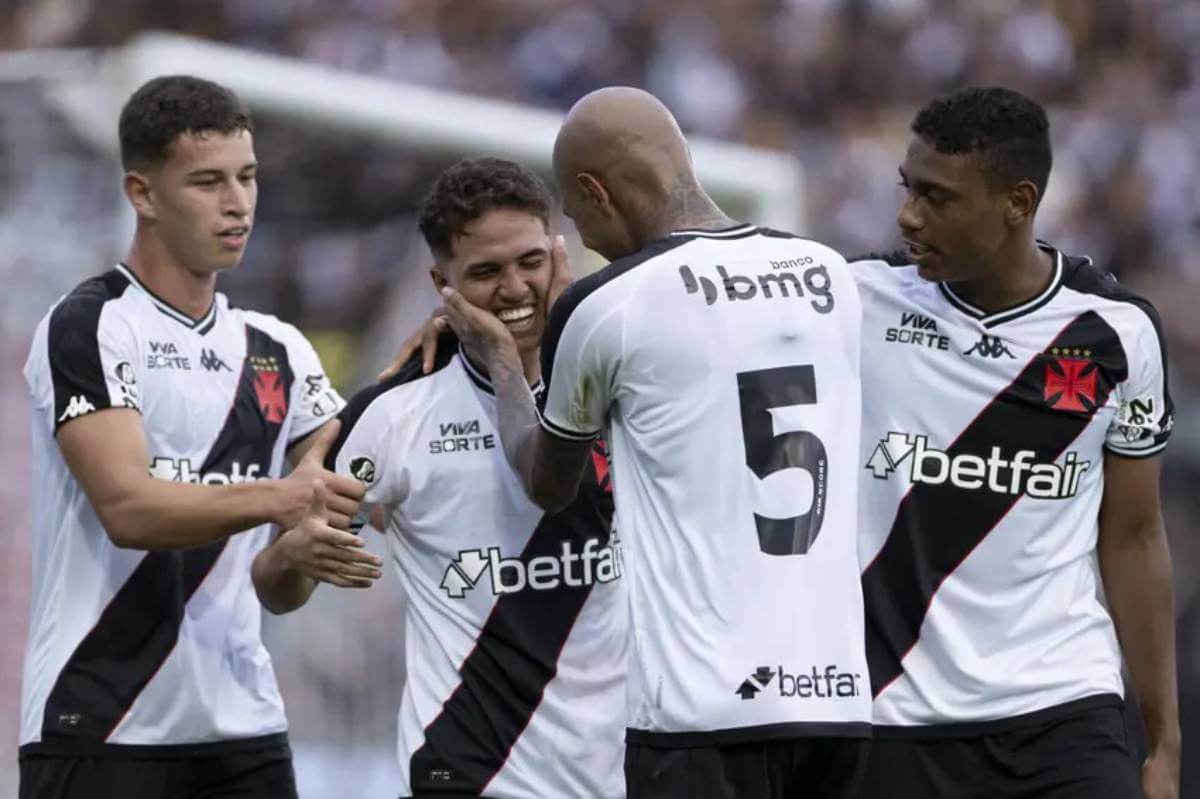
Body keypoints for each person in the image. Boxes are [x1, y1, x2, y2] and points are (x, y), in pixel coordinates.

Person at [440, 88, 871, 798]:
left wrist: (505, 366)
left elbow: (548, 482)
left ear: (594, 192)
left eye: (578, 221)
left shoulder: (610, 301)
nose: (589, 240)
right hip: (838, 704)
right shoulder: (830, 274)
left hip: (701, 715)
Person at [19, 75, 379, 799]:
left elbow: (283, 588)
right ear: (143, 194)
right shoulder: (91, 324)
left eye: (247, 177)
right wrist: (284, 498)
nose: (237, 201)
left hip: (244, 731)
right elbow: (129, 509)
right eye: (207, 181)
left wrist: (301, 550)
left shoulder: (279, 350)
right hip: (103, 724)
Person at [253, 157, 627, 798]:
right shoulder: (394, 413)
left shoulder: (627, 385)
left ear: (559, 255)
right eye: (485, 272)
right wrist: (295, 550)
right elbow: (277, 588)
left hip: (619, 771)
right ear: (441, 282)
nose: (514, 289)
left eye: (529, 262)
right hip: (467, 772)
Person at [852, 86, 1179, 799]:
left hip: (1063, 710)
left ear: (1017, 202)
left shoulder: (1114, 333)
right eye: (909, 190)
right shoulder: (858, 304)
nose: (909, 216)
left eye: (938, 198)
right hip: (893, 712)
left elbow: (1133, 537)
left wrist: (1162, 742)